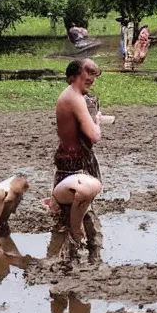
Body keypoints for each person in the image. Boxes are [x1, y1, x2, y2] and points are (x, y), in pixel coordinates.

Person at [50, 59, 105, 247]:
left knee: (75, 210)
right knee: (81, 210)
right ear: (74, 75)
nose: (91, 78)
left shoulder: (75, 95)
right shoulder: (75, 97)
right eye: (87, 72)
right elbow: (94, 135)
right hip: (74, 162)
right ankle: (79, 244)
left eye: (94, 74)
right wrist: (97, 122)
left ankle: (78, 246)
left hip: (72, 158)